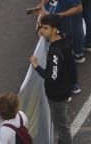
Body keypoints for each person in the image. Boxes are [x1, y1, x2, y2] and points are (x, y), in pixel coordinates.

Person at [34, 15, 76, 144]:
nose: (42, 31)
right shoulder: (63, 37)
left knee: (61, 125)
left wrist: (37, 67)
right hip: (66, 86)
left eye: (45, 28)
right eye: (41, 27)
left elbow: (52, 78)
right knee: (61, 122)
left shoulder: (55, 52)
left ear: (54, 29)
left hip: (57, 94)